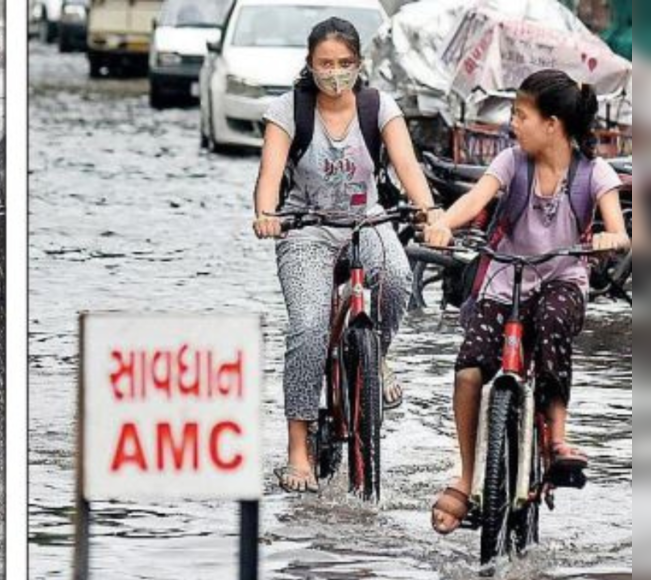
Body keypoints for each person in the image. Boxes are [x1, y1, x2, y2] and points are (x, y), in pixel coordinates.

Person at [424, 70, 631, 535]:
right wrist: (443, 225)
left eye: (520, 115)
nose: (512, 123)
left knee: (555, 323)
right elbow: (475, 199)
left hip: (562, 279)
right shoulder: (510, 163)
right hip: (504, 280)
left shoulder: (592, 172)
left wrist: (610, 238)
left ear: (552, 124)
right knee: (470, 368)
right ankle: (466, 474)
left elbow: (618, 228)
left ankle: (557, 438)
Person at [252, 18, 440, 494]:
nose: (335, 73)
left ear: (359, 64)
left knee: (398, 278)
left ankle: (378, 357)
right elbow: (270, 177)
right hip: (305, 230)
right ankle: (298, 447)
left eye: (344, 64)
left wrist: (431, 214)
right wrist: (266, 213)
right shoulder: (289, 109)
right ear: (310, 65)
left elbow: (409, 168)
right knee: (310, 329)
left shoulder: (378, 107)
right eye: (325, 64)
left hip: (367, 221)